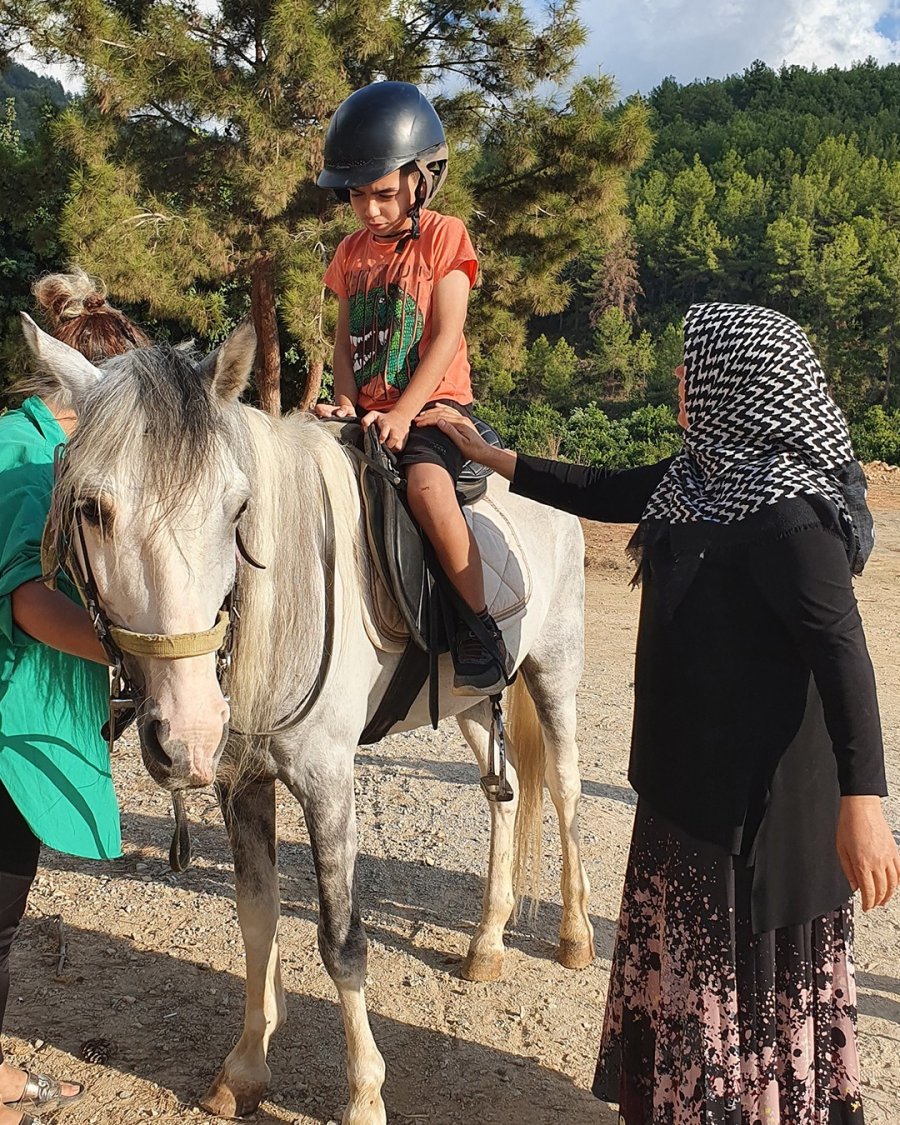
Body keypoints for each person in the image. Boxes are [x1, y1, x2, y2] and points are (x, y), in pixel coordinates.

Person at [421, 301, 900, 1124]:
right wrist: (488, 455)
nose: (680, 380)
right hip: (683, 785)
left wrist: (865, 804)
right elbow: (600, 490)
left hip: (760, 812)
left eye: (694, 368)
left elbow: (846, 662)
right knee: (686, 967)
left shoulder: (793, 519)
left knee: (742, 970)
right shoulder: (700, 477)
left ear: (740, 383)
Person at [0, 269, 150, 1125]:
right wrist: (137, 651)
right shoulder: (28, 462)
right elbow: (27, 598)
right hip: (7, 728)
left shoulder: (31, 447)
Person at [314, 80, 510, 695]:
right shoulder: (349, 252)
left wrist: (404, 411)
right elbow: (344, 342)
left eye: (384, 193)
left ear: (422, 180)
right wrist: (345, 400)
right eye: (357, 196)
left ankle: (480, 626)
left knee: (426, 485)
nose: (370, 209)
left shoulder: (445, 237)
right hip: (370, 412)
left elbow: (447, 335)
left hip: (435, 408)